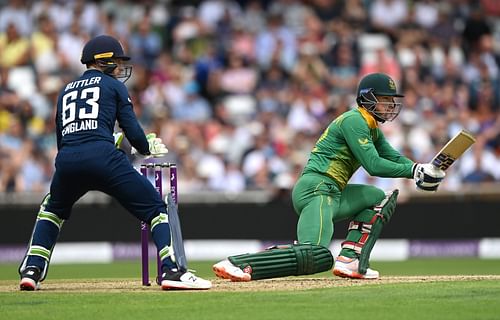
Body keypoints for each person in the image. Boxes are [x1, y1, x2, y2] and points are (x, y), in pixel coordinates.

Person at [18, 35, 211, 291]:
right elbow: (132, 129)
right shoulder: (113, 86)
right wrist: (144, 147)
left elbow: (68, 135)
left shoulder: (65, 90)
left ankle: (32, 269)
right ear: (104, 61)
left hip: (67, 160)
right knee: (155, 209)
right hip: (104, 159)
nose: (120, 68)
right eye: (117, 62)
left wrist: (113, 140)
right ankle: (172, 271)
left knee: (52, 209)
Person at [213, 73, 445, 281]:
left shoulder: (371, 127)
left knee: (379, 197)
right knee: (315, 254)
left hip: (334, 192)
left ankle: (350, 260)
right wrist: (414, 172)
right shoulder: (355, 120)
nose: (390, 104)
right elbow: (374, 165)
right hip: (317, 188)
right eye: (384, 99)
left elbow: (394, 157)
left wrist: (422, 168)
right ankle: (240, 263)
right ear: (368, 98)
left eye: (391, 100)